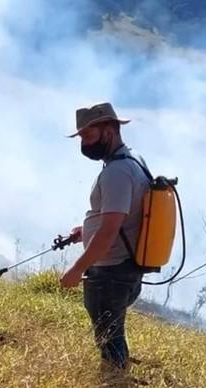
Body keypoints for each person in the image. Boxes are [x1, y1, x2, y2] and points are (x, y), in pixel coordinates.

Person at [60, 102, 151, 370]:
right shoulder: (132, 159)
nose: (84, 144)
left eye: (88, 136)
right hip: (125, 267)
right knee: (111, 334)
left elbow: (110, 230)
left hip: (111, 272)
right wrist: (85, 230)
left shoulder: (117, 173)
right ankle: (116, 383)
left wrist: (78, 269)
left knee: (109, 338)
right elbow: (119, 215)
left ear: (109, 130)